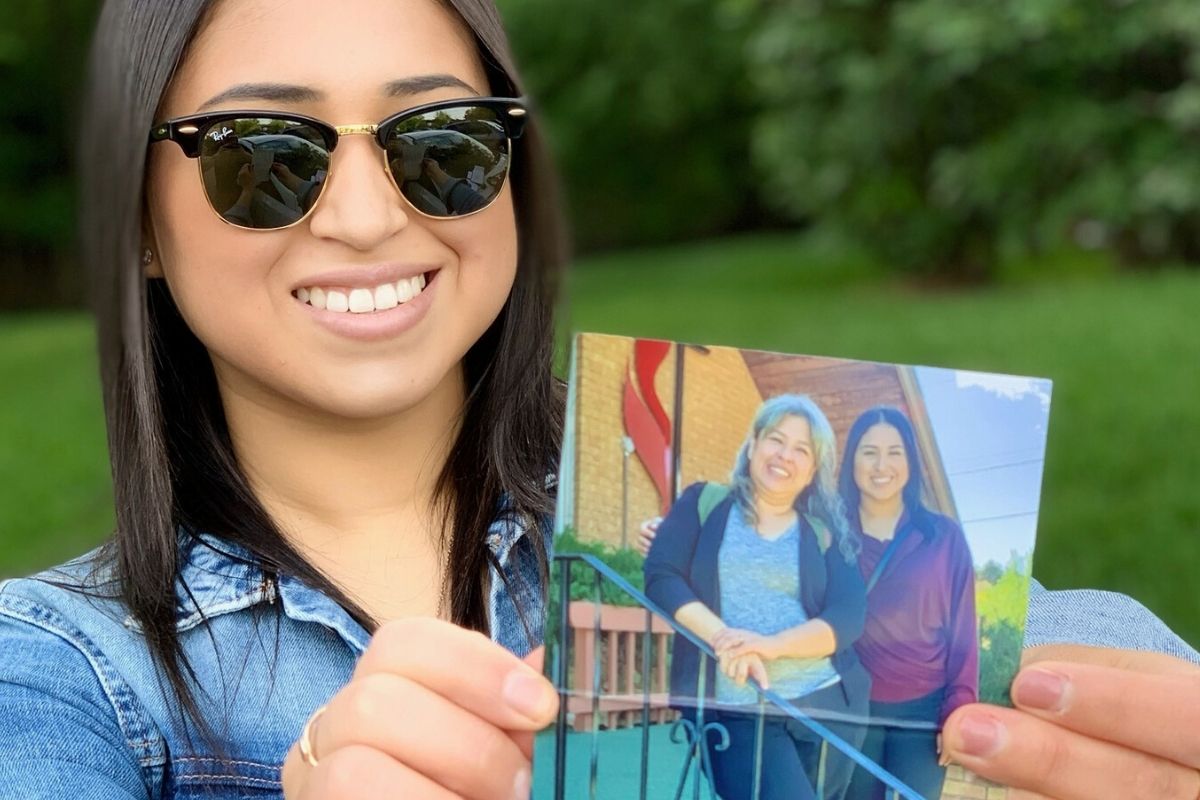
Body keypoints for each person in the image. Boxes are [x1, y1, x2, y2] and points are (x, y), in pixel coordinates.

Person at [0, 0, 566, 797]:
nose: (365, 219)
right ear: (139, 224)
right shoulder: (50, 674)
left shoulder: (710, 513)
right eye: (266, 157)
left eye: (442, 134)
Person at [644, 394, 871, 800]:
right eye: (776, 440)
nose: (785, 455)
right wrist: (725, 639)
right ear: (753, 444)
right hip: (737, 707)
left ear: (812, 469)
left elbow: (849, 615)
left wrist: (769, 646)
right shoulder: (703, 502)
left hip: (827, 704)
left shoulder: (824, 534)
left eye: (801, 449)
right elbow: (662, 576)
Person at [838, 407, 977, 799]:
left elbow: (965, 632)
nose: (882, 465)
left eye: (895, 451)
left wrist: (958, 709)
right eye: (869, 452)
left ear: (911, 462)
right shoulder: (828, 533)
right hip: (850, 708)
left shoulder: (943, 537)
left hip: (923, 715)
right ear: (852, 461)